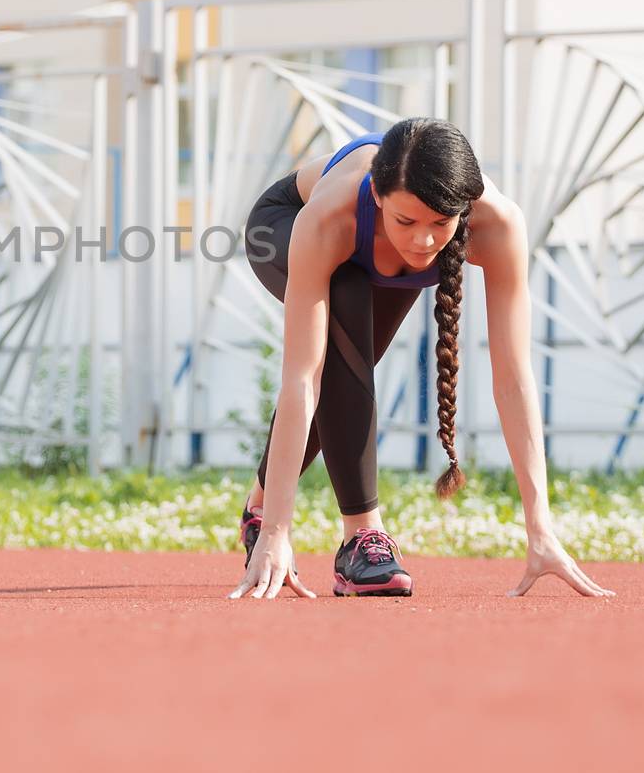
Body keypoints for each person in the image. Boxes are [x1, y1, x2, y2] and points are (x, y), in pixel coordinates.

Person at [228, 118, 613, 600]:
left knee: (347, 375)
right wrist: (278, 534)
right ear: (378, 197)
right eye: (406, 222)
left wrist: (541, 530)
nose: (424, 242)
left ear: (463, 209)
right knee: (341, 323)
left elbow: (514, 380)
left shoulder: (498, 224)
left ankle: (257, 508)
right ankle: (361, 537)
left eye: (441, 224)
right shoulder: (331, 216)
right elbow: (303, 380)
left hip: (375, 255)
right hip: (282, 223)